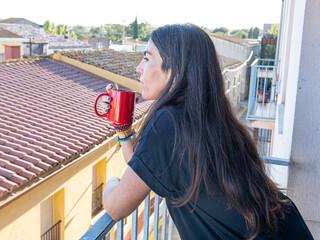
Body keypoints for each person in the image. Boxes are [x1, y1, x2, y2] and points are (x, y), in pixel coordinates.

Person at [100, 24, 313, 239]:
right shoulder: (212, 119)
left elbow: (117, 207)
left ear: (176, 70)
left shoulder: (168, 122)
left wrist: (111, 183)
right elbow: (146, 168)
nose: (139, 68)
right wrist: (123, 129)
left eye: (146, 58)